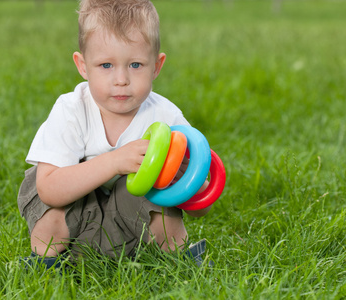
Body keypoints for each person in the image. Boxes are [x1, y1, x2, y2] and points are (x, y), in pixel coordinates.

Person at [18, 0, 211, 269]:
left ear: (156, 66)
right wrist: (114, 161)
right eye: (106, 66)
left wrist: (187, 184)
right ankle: (50, 263)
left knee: (164, 215)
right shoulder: (71, 109)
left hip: (131, 218)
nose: (121, 79)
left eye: (135, 65)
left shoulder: (167, 118)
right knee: (49, 219)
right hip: (79, 212)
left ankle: (179, 263)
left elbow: (202, 209)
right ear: (83, 65)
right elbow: (49, 189)